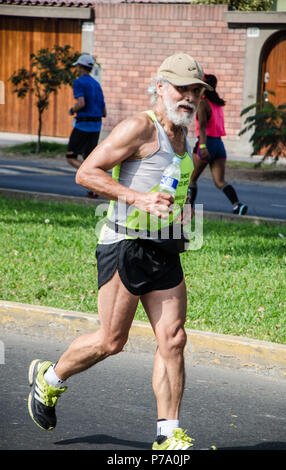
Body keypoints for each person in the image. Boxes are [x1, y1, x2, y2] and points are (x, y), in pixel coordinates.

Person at [27, 53, 212, 451]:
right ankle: (49, 378)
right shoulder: (138, 128)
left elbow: (173, 185)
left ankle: (167, 435)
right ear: (160, 86)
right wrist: (138, 199)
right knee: (111, 341)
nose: (189, 97)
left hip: (162, 247)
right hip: (123, 244)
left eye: (195, 90)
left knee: (173, 338)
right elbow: (86, 172)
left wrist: (178, 216)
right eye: (181, 88)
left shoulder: (185, 131)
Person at [189, 74, 248, 215]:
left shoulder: (203, 104)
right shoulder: (217, 103)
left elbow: (202, 126)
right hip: (219, 145)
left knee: (191, 179)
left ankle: (187, 211)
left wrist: (202, 147)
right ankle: (237, 205)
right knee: (219, 181)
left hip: (206, 144)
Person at [66, 54, 107, 198]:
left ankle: (87, 175)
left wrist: (72, 110)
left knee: (71, 157)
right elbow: (104, 111)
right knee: (89, 159)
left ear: (80, 67)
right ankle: (94, 190)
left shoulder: (79, 82)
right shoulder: (97, 84)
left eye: (77, 66)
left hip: (83, 125)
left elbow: (81, 103)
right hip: (96, 127)